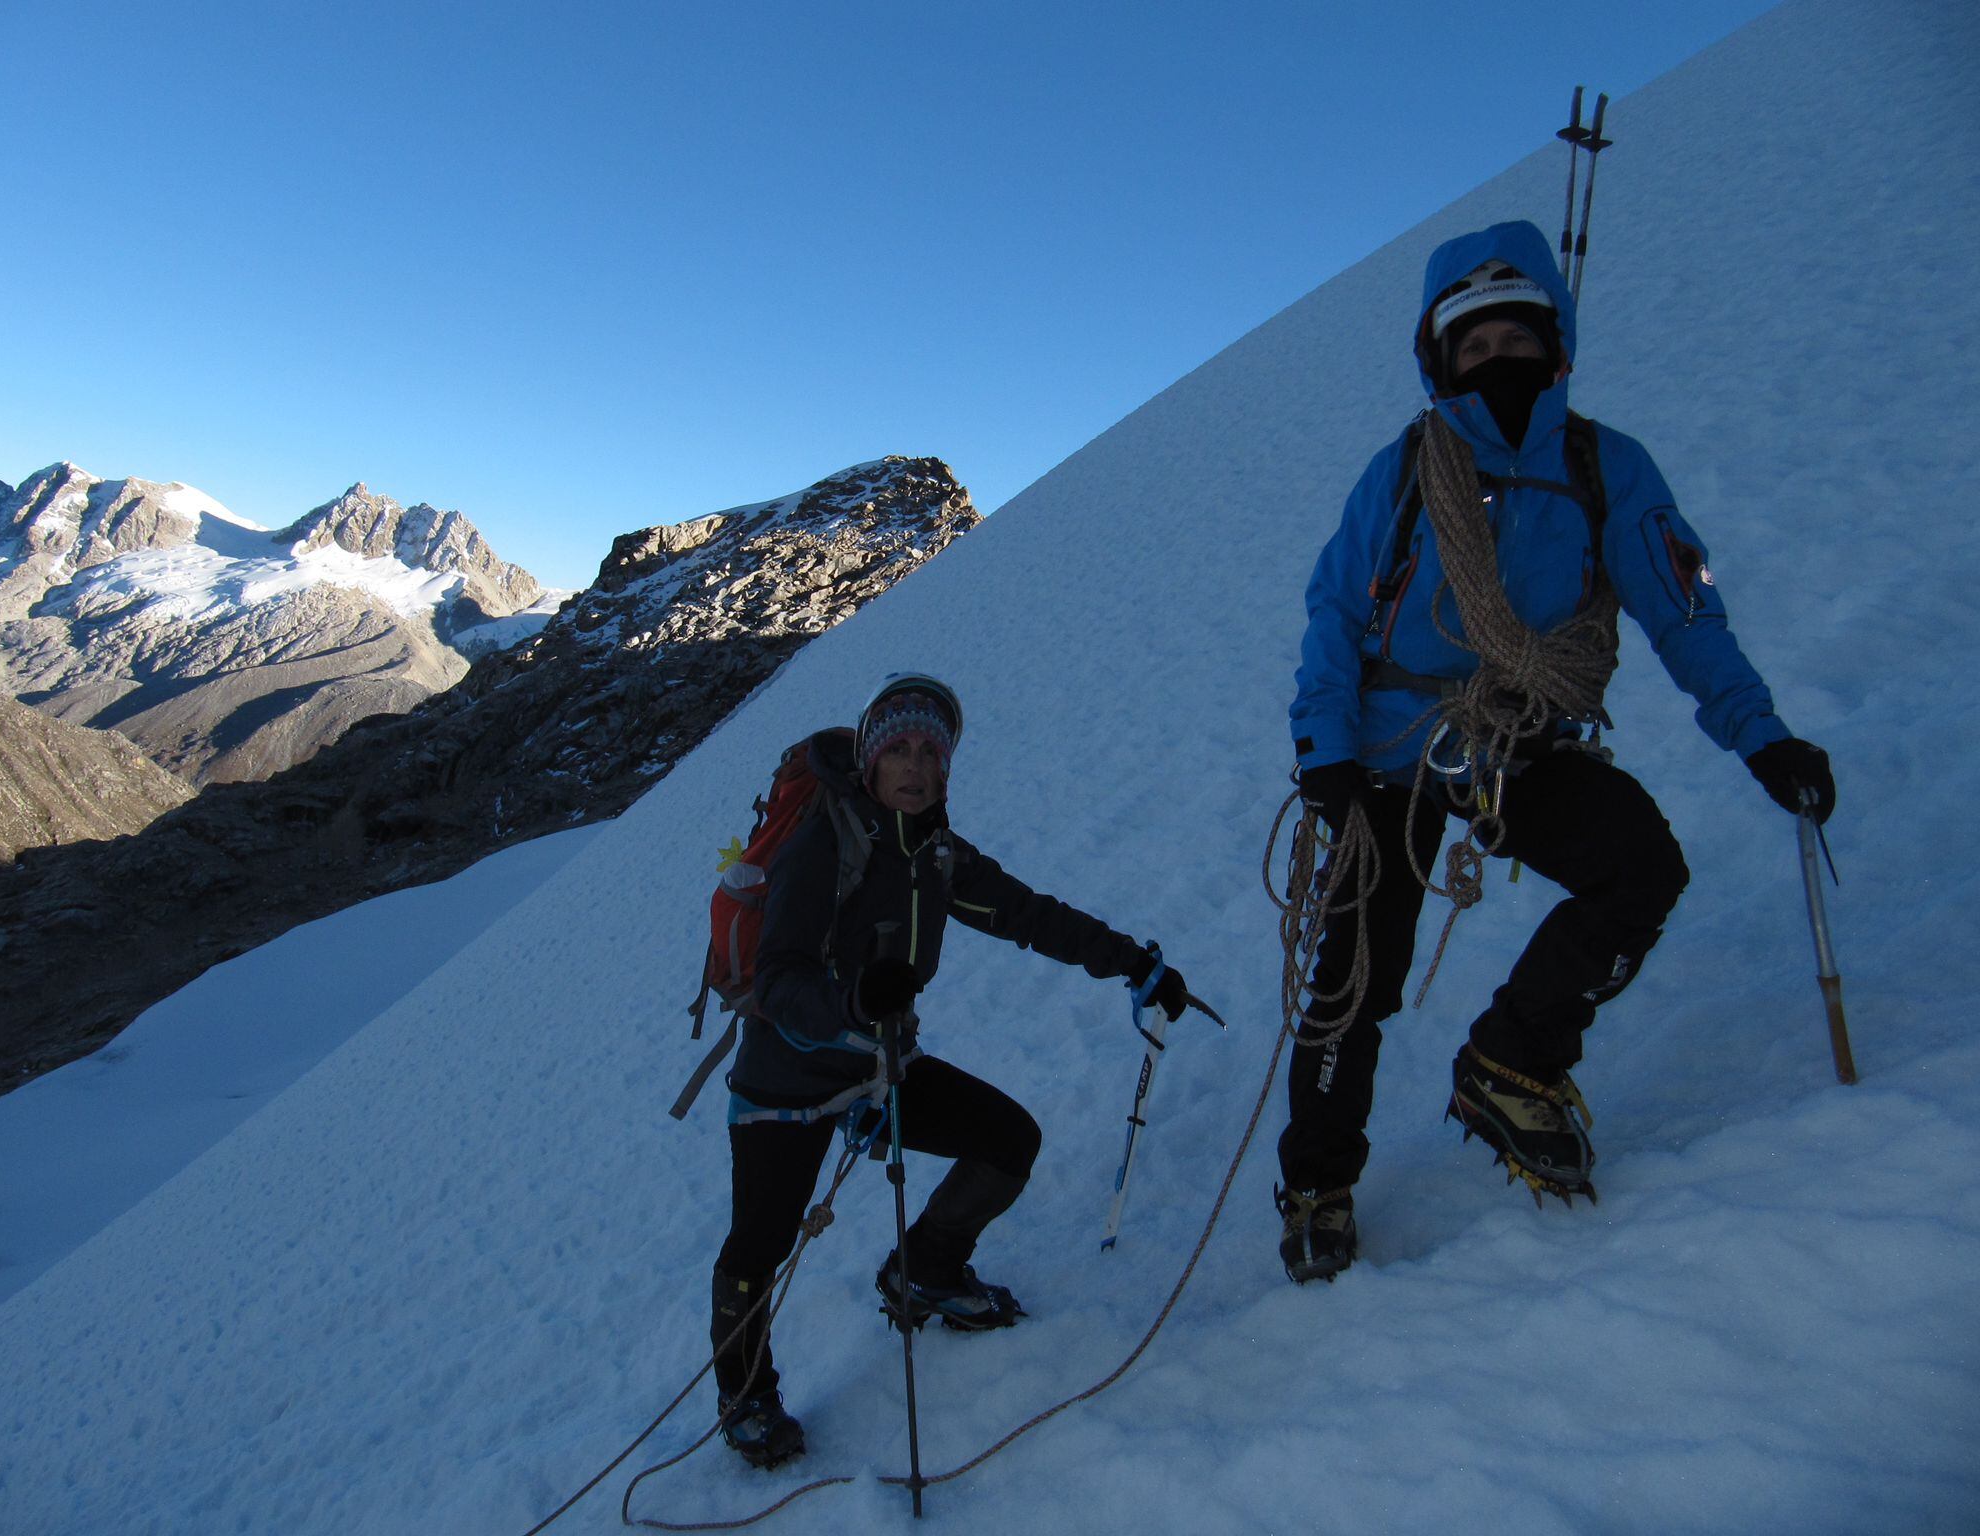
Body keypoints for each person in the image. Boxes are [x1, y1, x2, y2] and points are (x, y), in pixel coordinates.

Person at [1278, 220, 1836, 1284]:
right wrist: (1325, 755)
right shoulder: (1404, 469)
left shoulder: (1603, 467)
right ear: (1437, 361)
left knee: (1638, 865)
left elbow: (1682, 616)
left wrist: (1757, 735)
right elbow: (1333, 614)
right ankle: (1316, 1180)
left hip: (1515, 737)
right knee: (1353, 978)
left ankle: (1509, 1058)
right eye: (1472, 348)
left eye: (1514, 340)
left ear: (1555, 342)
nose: (1496, 362)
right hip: (1390, 754)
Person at [709, 672, 1190, 1467]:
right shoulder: (822, 844)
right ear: (869, 760)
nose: (916, 765)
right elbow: (780, 979)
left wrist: (1133, 963)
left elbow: (1028, 914)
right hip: (785, 1085)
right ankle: (745, 1397)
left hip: (874, 1070)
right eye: (897, 747)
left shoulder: (935, 854)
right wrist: (857, 1005)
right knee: (757, 1248)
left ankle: (923, 1271)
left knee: (1008, 1140)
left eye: (931, 751)